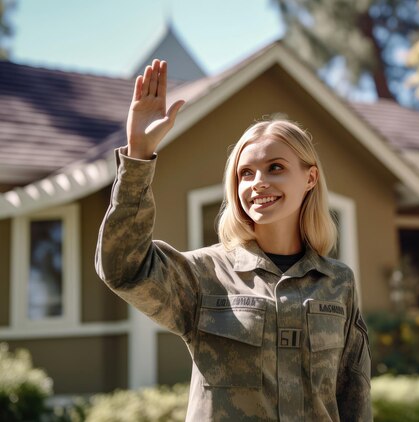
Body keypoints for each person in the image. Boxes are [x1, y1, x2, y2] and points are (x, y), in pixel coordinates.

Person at [95, 59, 372, 421]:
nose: (258, 182)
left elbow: (354, 395)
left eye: (276, 167)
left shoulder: (339, 283)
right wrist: (138, 155)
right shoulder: (203, 274)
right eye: (246, 173)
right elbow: (122, 269)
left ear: (310, 178)